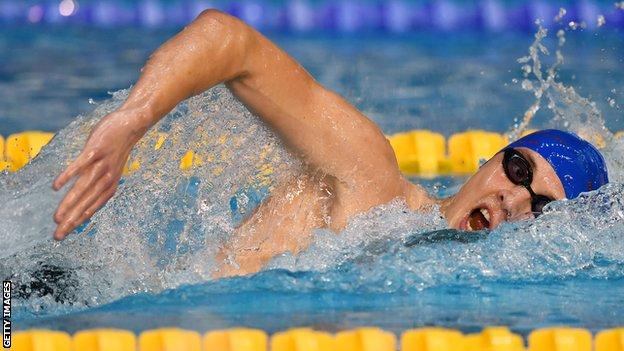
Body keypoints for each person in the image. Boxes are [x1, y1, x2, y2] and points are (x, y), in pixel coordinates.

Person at [51, 10, 609, 276]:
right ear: (492, 157)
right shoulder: (370, 181)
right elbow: (230, 42)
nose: (515, 200)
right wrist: (133, 119)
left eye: (541, 207)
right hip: (57, 288)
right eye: (518, 169)